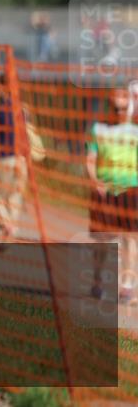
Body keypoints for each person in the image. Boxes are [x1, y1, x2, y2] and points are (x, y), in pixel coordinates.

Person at [88, 83, 138, 301]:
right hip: (105, 193)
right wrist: (95, 181)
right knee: (103, 240)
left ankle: (126, 286)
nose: (119, 112)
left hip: (130, 191)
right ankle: (98, 281)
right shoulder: (98, 129)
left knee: (130, 239)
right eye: (115, 107)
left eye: (123, 107)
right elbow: (89, 160)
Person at [0, 87, 45, 246]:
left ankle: (9, 227)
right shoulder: (24, 110)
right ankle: (9, 236)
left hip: (5, 159)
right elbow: (31, 133)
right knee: (15, 198)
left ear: (2, 88)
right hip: (23, 160)